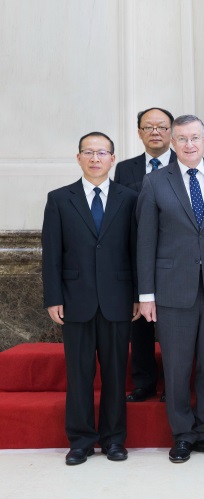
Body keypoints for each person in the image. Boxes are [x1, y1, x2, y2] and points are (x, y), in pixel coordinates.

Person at [137, 115, 204, 463]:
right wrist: (146, 295)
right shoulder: (154, 182)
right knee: (177, 367)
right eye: (182, 139)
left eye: (195, 138)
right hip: (172, 290)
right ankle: (182, 435)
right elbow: (145, 241)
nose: (189, 144)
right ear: (173, 143)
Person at [42, 132, 139, 465]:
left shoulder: (130, 198)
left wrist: (138, 294)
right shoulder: (59, 199)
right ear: (78, 157)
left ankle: (114, 439)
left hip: (118, 299)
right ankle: (81, 441)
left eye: (102, 152)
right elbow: (51, 253)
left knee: (115, 374)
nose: (95, 158)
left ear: (113, 158)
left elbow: (135, 250)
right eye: (89, 152)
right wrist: (53, 297)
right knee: (79, 374)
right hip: (75, 299)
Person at [114, 107, 176, 403]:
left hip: (175, 256)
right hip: (138, 254)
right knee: (139, 322)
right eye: (148, 127)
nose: (155, 132)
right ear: (139, 133)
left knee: (175, 327)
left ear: (171, 132)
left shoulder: (185, 162)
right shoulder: (125, 169)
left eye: (162, 127)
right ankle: (144, 382)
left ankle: (173, 384)